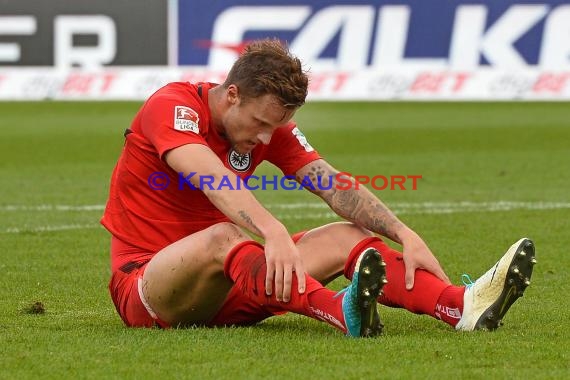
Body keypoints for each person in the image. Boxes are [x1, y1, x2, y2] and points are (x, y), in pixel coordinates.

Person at [101, 38, 536, 336]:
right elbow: (211, 179)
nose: (267, 139)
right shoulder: (172, 107)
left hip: (227, 288)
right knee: (223, 236)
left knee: (349, 237)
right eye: (260, 124)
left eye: (277, 128)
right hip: (147, 287)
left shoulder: (266, 128)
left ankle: (459, 307)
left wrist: (403, 233)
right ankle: (338, 311)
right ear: (231, 94)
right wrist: (272, 231)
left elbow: (333, 185)